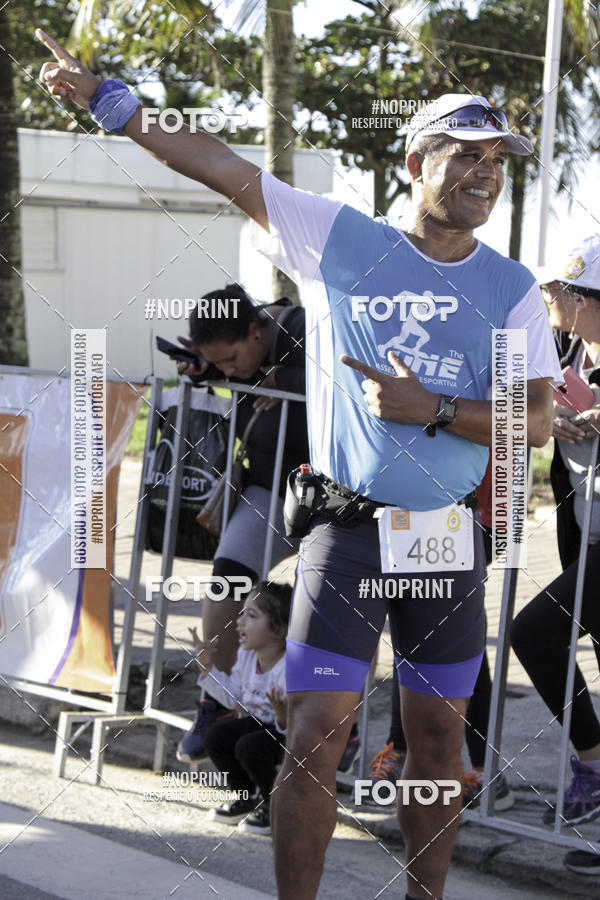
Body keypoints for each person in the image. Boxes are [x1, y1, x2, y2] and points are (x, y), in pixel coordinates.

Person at [36, 38, 561, 898]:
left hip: (442, 541)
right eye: (464, 154)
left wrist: (429, 408)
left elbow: (535, 419)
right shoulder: (336, 237)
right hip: (347, 534)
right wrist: (111, 102)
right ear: (414, 160)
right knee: (316, 729)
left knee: (437, 743)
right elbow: (219, 165)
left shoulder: (509, 288)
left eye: (495, 159)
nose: (484, 173)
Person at [171, 283, 308, 762]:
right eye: (220, 363)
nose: (232, 371)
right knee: (226, 582)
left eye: (231, 358)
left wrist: (285, 380)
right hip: (266, 487)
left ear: (255, 331)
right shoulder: (240, 351)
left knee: (332, 612)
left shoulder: (302, 329)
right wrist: (209, 371)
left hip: (330, 495)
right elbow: (237, 378)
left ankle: (335, 733)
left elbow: (347, 376)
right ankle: (216, 701)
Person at [365, 456, 515, 814]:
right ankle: (402, 751)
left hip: (475, 509)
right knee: (423, 628)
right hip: (414, 505)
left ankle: (484, 770)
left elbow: (525, 416)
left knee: (446, 630)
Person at [511, 235, 600, 836]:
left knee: (535, 632)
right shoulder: (564, 345)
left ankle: (593, 764)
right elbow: (515, 401)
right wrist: (553, 418)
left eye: (558, 288)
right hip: (583, 533)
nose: (546, 296)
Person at [190, 581, 291, 835]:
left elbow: (296, 725)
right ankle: (246, 798)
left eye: (252, 616)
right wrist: (207, 669)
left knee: (249, 746)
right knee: (216, 736)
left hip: (286, 732)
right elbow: (234, 698)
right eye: (242, 613)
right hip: (260, 724)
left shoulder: (287, 667)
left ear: (278, 630)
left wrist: (282, 714)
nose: (240, 622)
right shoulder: (247, 655)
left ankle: (275, 805)